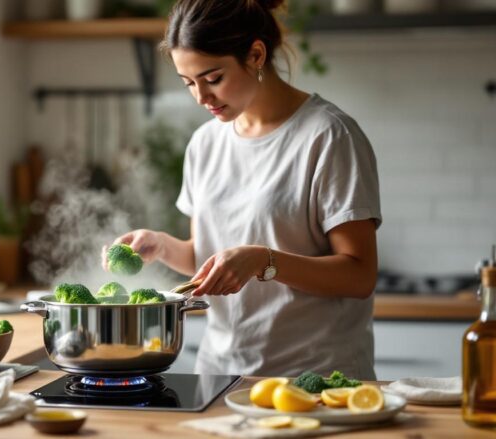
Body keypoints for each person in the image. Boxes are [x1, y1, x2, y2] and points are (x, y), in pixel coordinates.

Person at [103, 0, 381, 380]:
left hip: (313, 381)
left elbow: (359, 276)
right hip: (221, 376)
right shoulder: (205, 144)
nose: (201, 97)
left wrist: (263, 261)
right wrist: (163, 246)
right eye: (189, 83)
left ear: (255, 54)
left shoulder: (329, 136)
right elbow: (210, 260)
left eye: (212, 78)